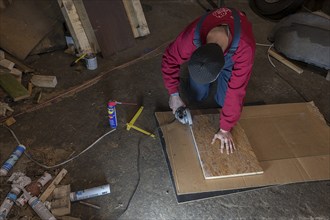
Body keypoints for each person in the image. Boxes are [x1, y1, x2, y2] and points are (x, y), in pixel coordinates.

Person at [161, 7, 256, 154]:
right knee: (197, 95)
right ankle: (198, 83)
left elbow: (237, 91)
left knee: (224, 102)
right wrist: (173, 94)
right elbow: (169, 59)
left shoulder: (245, 48)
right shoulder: (191, 38)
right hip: (212, 50)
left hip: (233, 57)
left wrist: (225, 129)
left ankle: (221, 76)